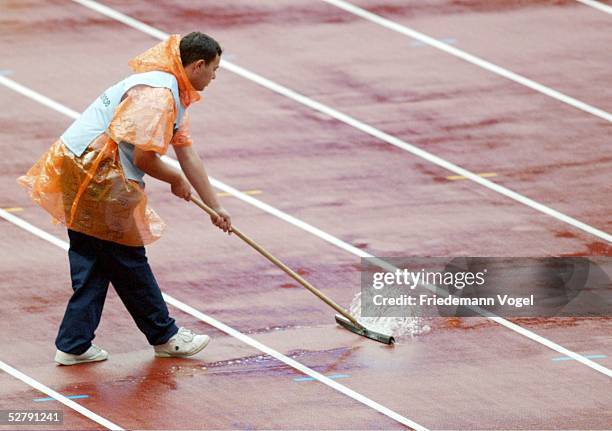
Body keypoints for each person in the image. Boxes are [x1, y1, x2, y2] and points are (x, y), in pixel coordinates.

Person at [18, 32, 231, 365]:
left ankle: (74, 343)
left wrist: (215, 207)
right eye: (214, 70)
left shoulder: (169, 89)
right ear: (198, 64)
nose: (215, 77)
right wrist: (175, 180)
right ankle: (165, 336)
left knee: (94, 257)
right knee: (127, 257)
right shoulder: (159, 96)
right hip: (98, 175)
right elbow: (146, 159)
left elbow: (188, 155)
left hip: (78, 168)